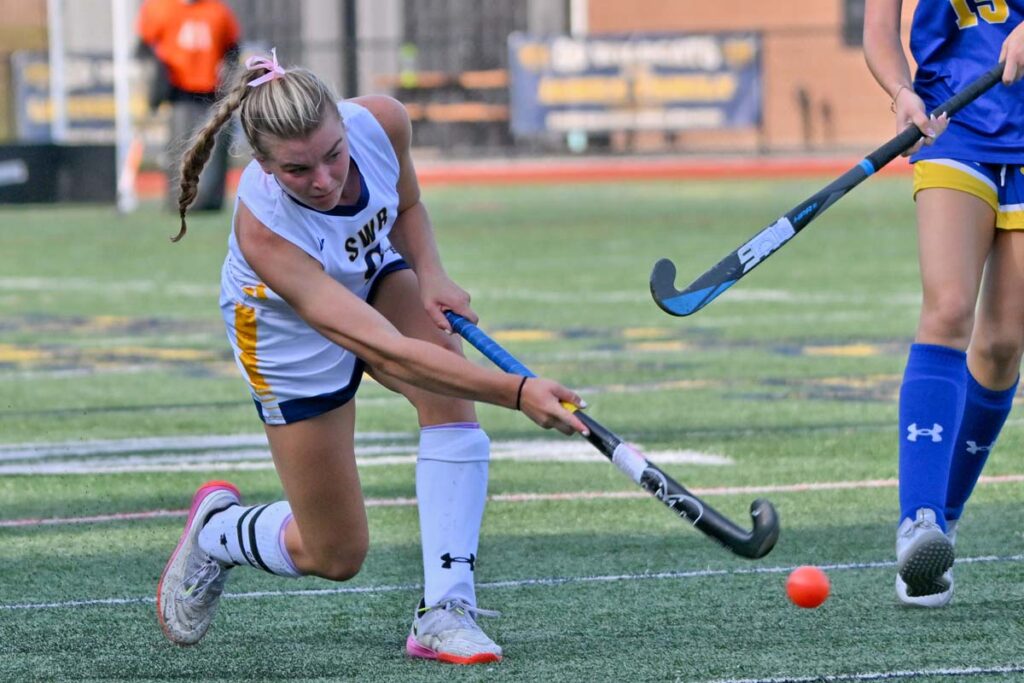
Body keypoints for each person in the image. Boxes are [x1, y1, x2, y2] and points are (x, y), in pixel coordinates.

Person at [155, 50, 588, 664]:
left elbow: (406, 205)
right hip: (283, 333)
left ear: (343, 122)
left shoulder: (382, 123)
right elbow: (390, 351)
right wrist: (517, 393)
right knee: (335, 554)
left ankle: (446, 609)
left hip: (368, 267)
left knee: (449, 402)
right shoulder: (265, 232)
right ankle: (218, 531)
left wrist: (431, 273)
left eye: (333, 154)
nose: (324, 180)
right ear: (264, 166)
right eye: (297, 169)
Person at [863, 0, 1024, 607]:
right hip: (954, 125)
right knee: (950, 307)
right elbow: (879, 30)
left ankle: (943, 527)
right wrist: (901, 92)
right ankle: (920, 521)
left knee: (1004, 343)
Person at [137, 0, 240, 212]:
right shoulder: (160, 8)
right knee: (180, 149)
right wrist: (157, 76)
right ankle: (179, 199)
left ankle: (210, 200)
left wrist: (228, 76)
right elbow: (143, 47)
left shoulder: (218, 11)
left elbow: (233, 47)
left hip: (212, 92)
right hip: (179, 92)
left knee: (212, 149)